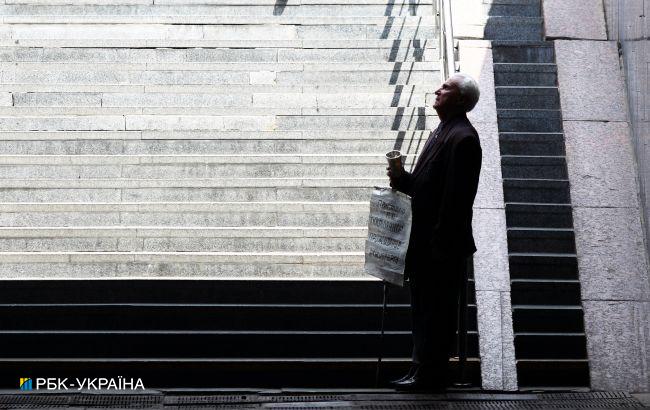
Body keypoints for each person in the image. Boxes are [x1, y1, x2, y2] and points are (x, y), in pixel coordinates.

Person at [386, 73, 482, 391]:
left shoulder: (464, 138)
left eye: (447, 88)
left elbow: (457, 199)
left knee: (436, 313)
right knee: (424, 310)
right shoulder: (440, 132)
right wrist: (402, 178)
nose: (438, 90)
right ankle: (421, 369)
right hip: (426, 242)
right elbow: (427, 188)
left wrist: (440, 244)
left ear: (461, 100)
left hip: (440, 246)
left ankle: (430, 373)